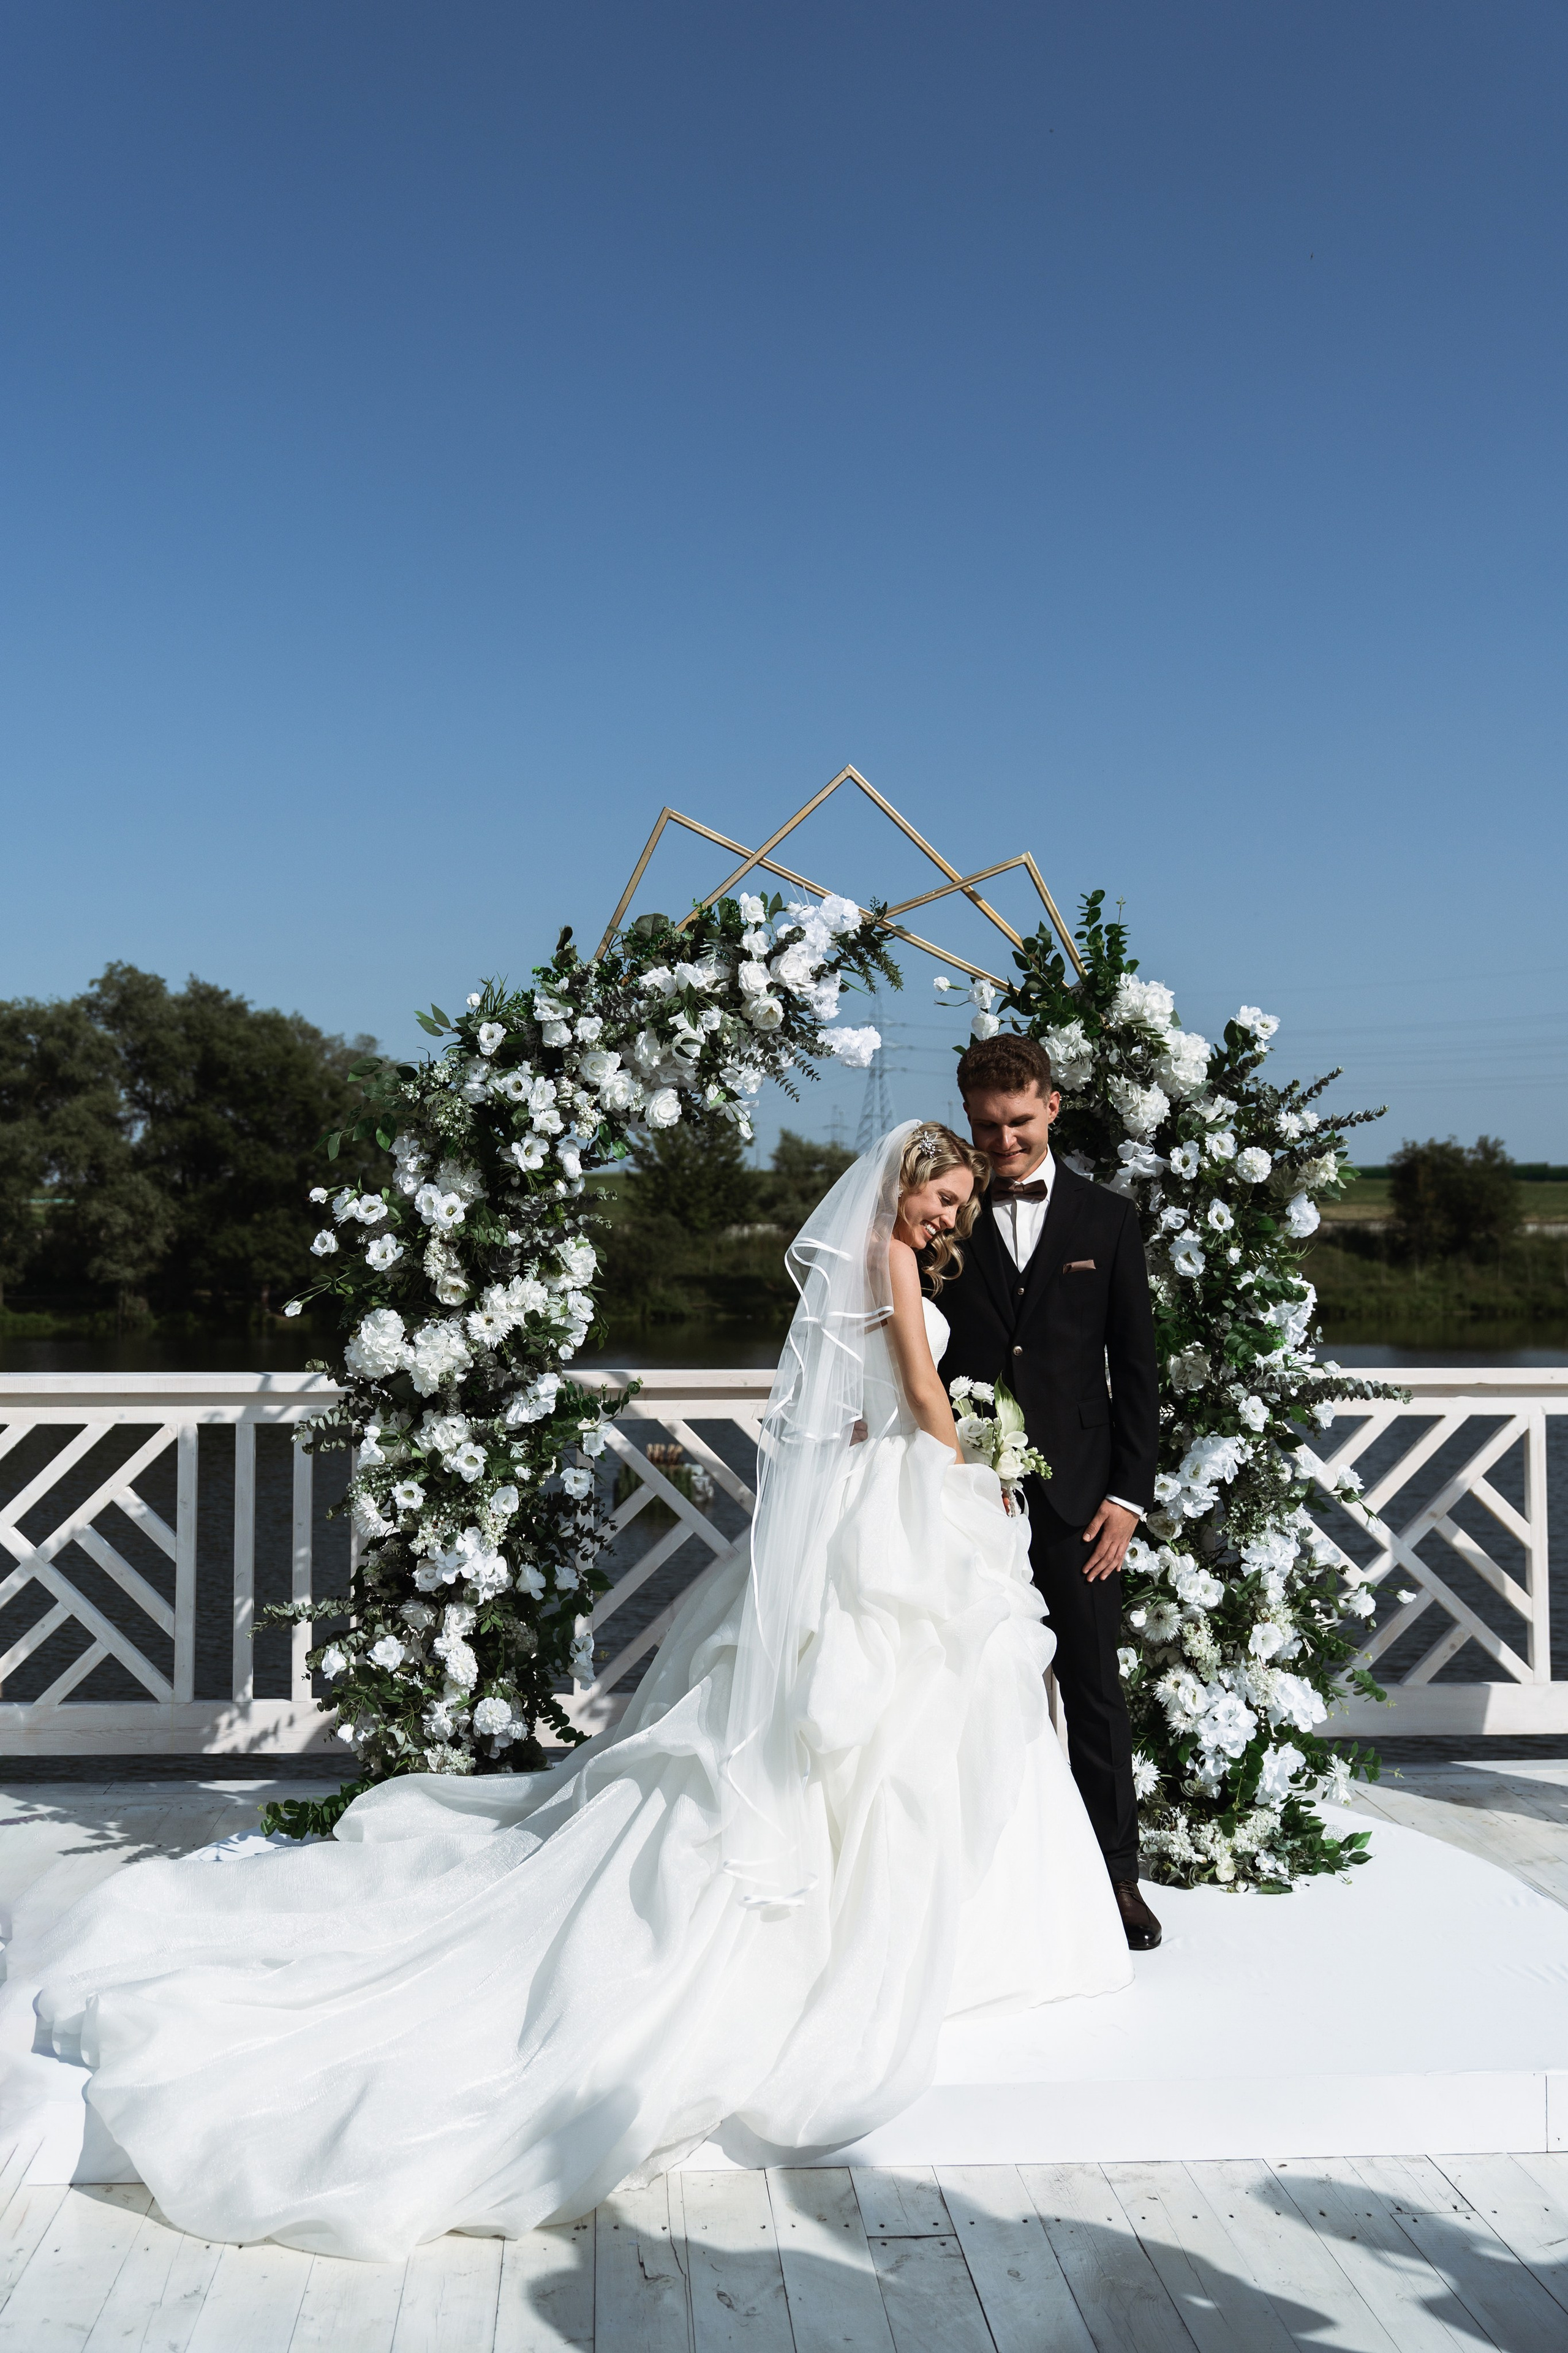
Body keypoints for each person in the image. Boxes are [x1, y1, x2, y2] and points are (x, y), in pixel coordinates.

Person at [1, 1121, 1131, 2263]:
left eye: (956, 1208)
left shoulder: (883, 1263)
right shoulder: (886, 1259)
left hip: (880, 1494)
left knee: (901, 1708)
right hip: (907, 1498)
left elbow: (858, 1403)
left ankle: (939, 1918)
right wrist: (974, 1462)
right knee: (882, 1707)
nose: (948, 1219)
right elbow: (923, 1394)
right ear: (901, 1185)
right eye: (940, 1198)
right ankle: (903, 1930)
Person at [941, 1033, 1164, 1951]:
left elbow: (1137, 1367)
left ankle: (1117, 1878)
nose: (1002, 1144)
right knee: (958, 1679)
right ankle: (972, 1882)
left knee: (1094, 1688)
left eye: (1019, 1123)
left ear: (1054, 1106)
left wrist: (1129, 1494)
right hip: (962, 1496)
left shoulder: (1109, 1220)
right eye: (986, 1127)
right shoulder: (942, 1214)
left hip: (1079, 1500)